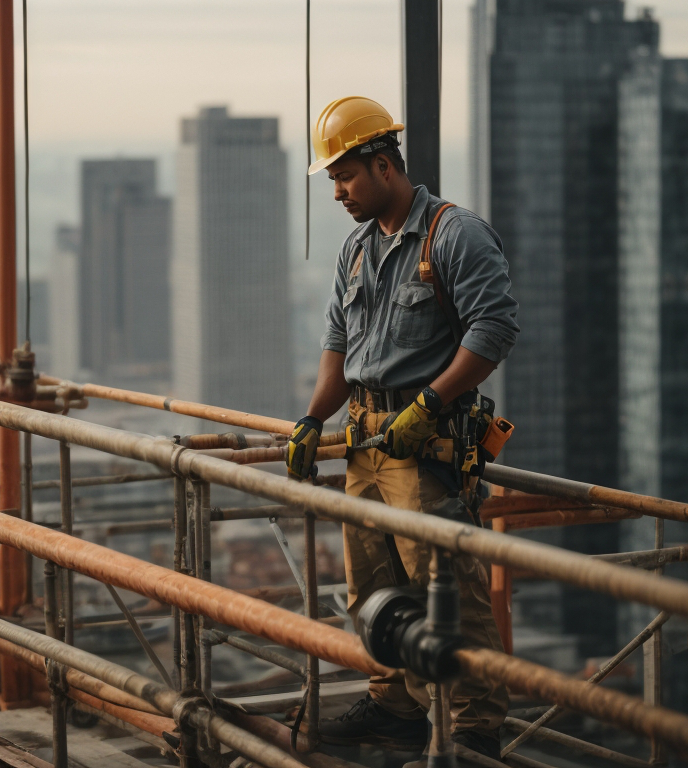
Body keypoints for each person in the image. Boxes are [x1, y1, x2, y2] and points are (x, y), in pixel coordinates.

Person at [286, 96, 520, 764]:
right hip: (366, 440)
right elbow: (340, 349)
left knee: (445, 593)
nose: (337, 192)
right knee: (374, 593)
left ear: (383, 165)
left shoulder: (452, 233)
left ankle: (474, 729)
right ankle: (396, 706)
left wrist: (429, 401)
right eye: (332, 180)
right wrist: (312, 418)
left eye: (345, 177)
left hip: (424, 447)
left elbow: (494, 329)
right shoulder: (357, 250)